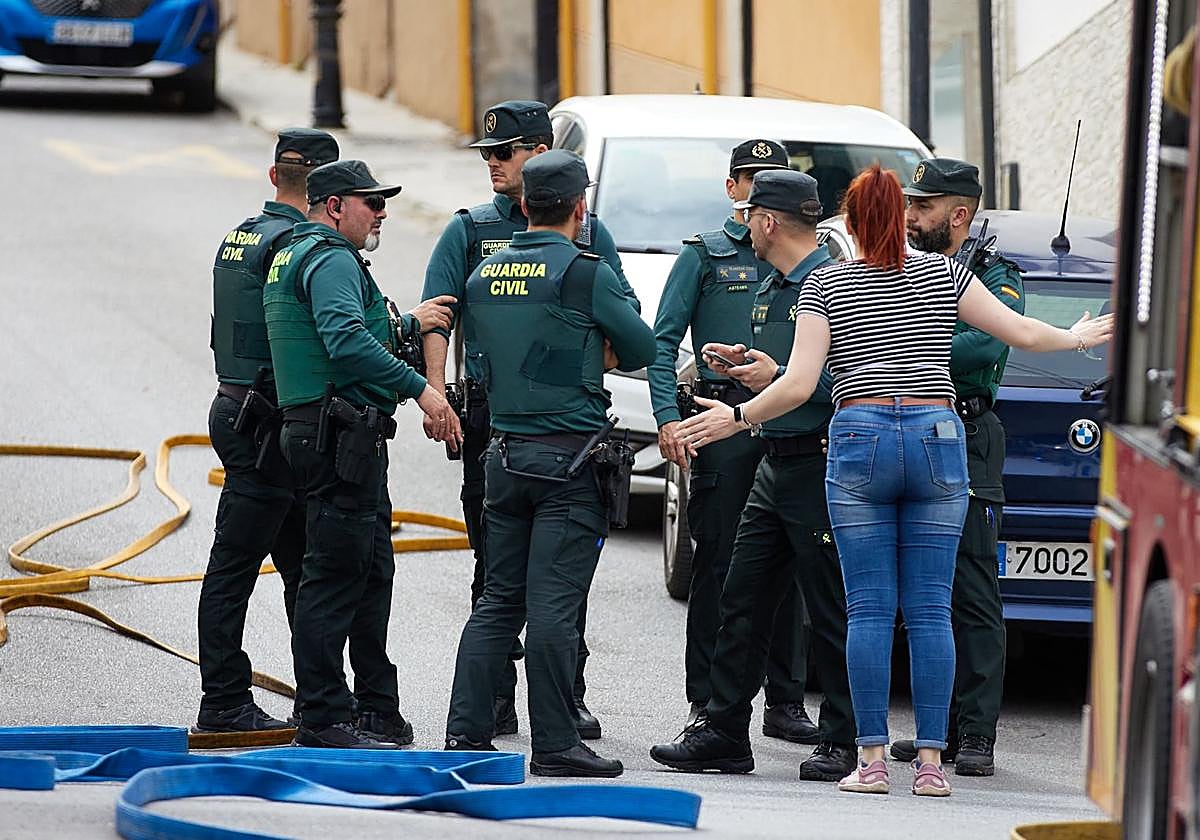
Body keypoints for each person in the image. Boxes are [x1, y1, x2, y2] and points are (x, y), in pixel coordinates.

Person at [674, 164, 1111, 796]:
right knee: (933, 610)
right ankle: (932, 765)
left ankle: (872, 760)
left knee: (870, 610)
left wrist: (736, 417)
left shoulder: (825, 280)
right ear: (900, 217)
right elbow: (1019, 332)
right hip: (937, 438)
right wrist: (1076, 336)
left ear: (851, 221)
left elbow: (797, 385)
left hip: (860, 441)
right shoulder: (948, 272)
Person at [421, 100, 634, 740]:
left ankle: (566, 694)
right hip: (491, 413)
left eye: (503, 152)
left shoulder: (589, 234)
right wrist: (437, 394)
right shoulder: (470, 229)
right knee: (497, 568)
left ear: (540, 152)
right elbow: (437, 313)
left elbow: (618, 318)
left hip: (566, 418)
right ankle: (494, 702)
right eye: (486, 152)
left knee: (563, 576)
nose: (491, 163)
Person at [649, 170, 856, 782]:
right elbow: (790, 374)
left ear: (767, 221)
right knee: (742, 596)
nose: (744, 225)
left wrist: (770, 391)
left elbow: (847, 379)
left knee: (830, 604)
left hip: (822, 460)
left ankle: (842, 738)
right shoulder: (772, 285)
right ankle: (724, 731)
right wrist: (758, 371)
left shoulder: (837, 283)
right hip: (775, 461)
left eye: (750, 217)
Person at [264, 159, 460, 749]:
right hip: (336, 435)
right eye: (370, 202)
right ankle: (324, 716)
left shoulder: (306, 254)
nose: (381, 213)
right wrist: (423, 388)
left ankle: (374, 707)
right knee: (332, 576)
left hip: (337, 433)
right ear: (333, 207)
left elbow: (355, 333)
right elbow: (346, 340)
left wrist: (402, 325)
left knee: (370, 571)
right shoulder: (328, 259)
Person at [195, 128, 338, 735]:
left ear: (272, 175)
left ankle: (316, 698)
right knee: (240, 564)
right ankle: (225, 700)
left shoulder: (241, 234)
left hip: (235, 404)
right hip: (267, 419)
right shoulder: (296, 243)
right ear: (325, 189)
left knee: (296, 563)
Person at [887, 158, 1024, 777]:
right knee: (920, 593)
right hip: (910, 432)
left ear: (958, 213)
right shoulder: (906, 269)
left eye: (923, 207)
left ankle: (975, 735)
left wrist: (907, 336)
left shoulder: (997, 275)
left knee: (969, 588)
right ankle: (933, 731)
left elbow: (988, 343)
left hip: (966, 435)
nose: (910, 216)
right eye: (909, 205)